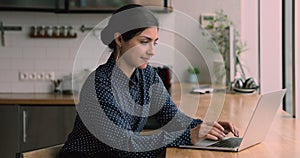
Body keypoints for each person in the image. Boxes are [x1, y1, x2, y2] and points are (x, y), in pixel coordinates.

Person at [59, 4, 239, 158]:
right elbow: (124, 145)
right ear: (120, 39)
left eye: (155, 42)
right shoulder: (100, 84)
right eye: (144, 41)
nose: (152, 51)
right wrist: (188, 136)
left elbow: (172, 117)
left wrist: (204, 126)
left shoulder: (147, 76)